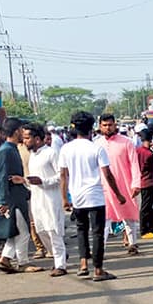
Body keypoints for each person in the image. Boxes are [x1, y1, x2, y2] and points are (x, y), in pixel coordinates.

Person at [59, 111, 123, 281]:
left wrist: (65, 198)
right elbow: (107, 174)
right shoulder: (96, 148)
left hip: (77, 196)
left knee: (81, 230)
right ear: (91, 128)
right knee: (97, 233)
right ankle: (98, 269)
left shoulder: (66, 148)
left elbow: (63, 175)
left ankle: (83, 264)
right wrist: (118, 194)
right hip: (95, 196)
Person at [0, 117, 41, 274]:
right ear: (16, 131)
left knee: (16, 231)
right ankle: (23, 262)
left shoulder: (11, 149)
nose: (24, 134)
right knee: (23, 232)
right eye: (22, 130)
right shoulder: (6, 151)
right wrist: (3, 201)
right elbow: (1, 177)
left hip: (17, 196)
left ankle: (6, 258)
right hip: (12, 199)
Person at [23, 123, 67, 277]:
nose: (25, 141)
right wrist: (24, 181)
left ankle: (60, 264)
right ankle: (58, 255)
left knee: (53, 230)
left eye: (27, 138)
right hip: (37, 199)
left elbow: (60, 176)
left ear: (37, 139)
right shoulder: (33, 156)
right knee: (41, 230)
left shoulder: (51, 153)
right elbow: (33, 179)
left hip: (51, 198)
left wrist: (42, 181)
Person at [95, 114, 141, 256]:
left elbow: (134, 163)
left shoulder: (126, 142)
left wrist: (136, 183)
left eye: (110, 125)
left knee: (129, 216)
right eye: (105, 125)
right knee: (104, 218)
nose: (108, 128)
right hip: (103, 186)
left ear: (115, 125)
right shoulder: (96, 144)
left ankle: (132, 243)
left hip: (125, 184)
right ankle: (100, 248)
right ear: (100, 126)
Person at [134, 127, 153, 239]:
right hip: (149, 181)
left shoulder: (138, 151)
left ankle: (149, 228)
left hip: (142, 181)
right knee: (149, 207)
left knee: (146, 206)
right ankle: (146, 229)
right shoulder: (149, 154)